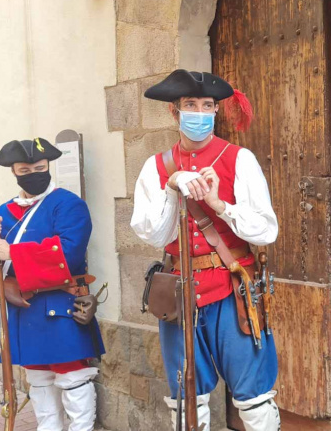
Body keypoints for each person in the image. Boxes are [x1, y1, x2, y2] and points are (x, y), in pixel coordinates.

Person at [130, 69, 280, 430]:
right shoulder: (155, 167)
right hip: (178, 294)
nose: (199, 111)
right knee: (185, 402)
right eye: (190, 105)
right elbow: (151, 234)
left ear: (215, 111)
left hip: (232, 289)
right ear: (175, 112)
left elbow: (266, 230)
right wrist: (171, 187)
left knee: (254, 398)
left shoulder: (239, 159)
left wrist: (219, 204)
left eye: (207, 105)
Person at [0, 138, 104, 431]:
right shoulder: (3, 210)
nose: (34, 174)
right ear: (14, 172)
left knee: (72, 377)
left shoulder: (68, 204)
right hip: (24, 306)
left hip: (61, 303)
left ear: (48, 166)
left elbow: (70, 253)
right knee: (38, 379)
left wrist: (12, 252)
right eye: (25, 170)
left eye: (40, 168)